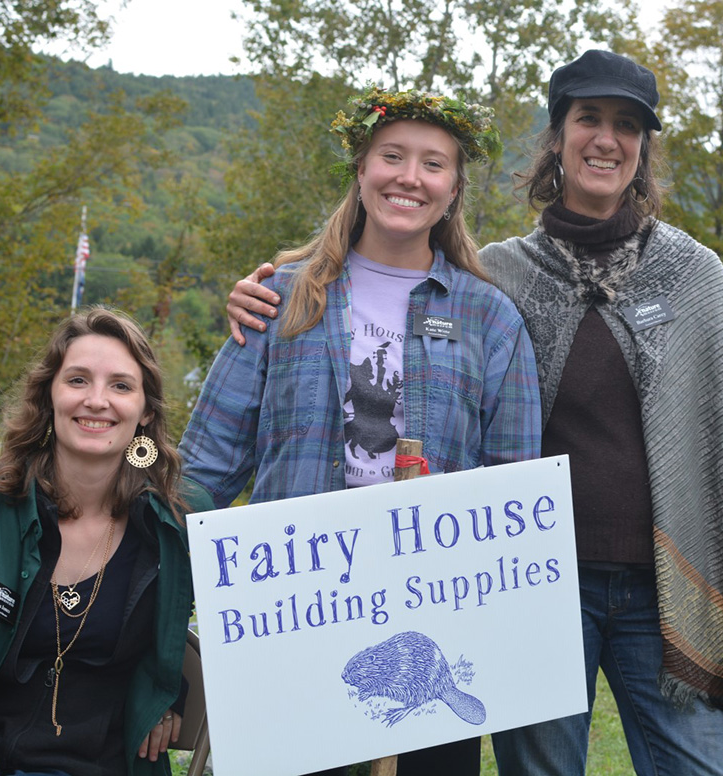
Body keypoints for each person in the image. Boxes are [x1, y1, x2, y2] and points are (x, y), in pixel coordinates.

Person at [224, 50, 723, 776]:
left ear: (644, 147)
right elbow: (394, 295)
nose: (606, 139)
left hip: (668, 584)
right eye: (588, 119)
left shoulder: (692, 274)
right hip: (536, 590)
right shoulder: (501, 278)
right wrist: (262, 297)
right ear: (556, 136)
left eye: (627, 126)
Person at [178, 86, 542, 776]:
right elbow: (202, 470)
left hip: (427, 626)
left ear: (455, 187)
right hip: (290, 620)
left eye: (433, 164)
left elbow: (513, 502)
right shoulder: (281, 299)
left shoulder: (491, 320)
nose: (409, 177)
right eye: (392, 156)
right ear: (361, 169)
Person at [0, 307, 212, 776]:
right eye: (78, 380)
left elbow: (237, 630)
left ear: (146, 410)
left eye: (121, 386)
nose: (97, 400)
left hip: (97, 763)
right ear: (50, 394)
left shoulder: (181, 518)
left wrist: (171, 693)